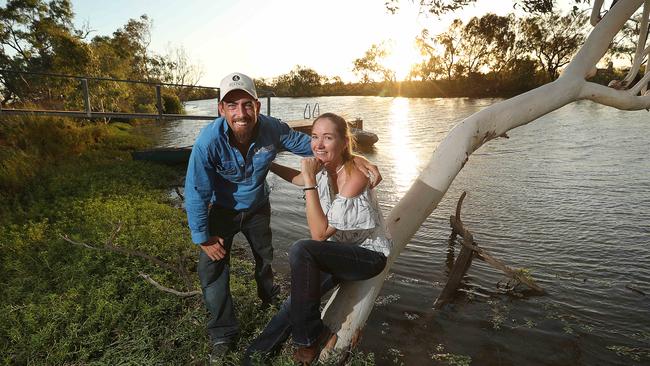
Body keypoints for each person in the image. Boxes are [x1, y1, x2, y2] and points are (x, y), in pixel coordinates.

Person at [184, 73, 382, 363]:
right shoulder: (208, 143)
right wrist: (201, 235)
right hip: (222, 211)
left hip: (257, 208)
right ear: (221, 109)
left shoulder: (272, 129)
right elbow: (196, 190)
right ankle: (223, 333)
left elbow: (315, 146)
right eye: (232, 105)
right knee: (212, 269)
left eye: (247, 104)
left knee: (264, 257)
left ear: (257, 106)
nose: (241, 113)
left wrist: (356, 157)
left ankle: (268, 295)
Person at [244, 112, 392, 365]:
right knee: (296, 302)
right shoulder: (324, 168)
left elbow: (319, 234)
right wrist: (268, 164)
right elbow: (298, 178)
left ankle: (308, 340)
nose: (318, 144)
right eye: (314, 137)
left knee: (303, 249)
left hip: (368, 256)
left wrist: (311, 180)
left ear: (344, 142)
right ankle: (253, 357)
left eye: (327, 137)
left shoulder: (355, 175)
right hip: (340, 252)